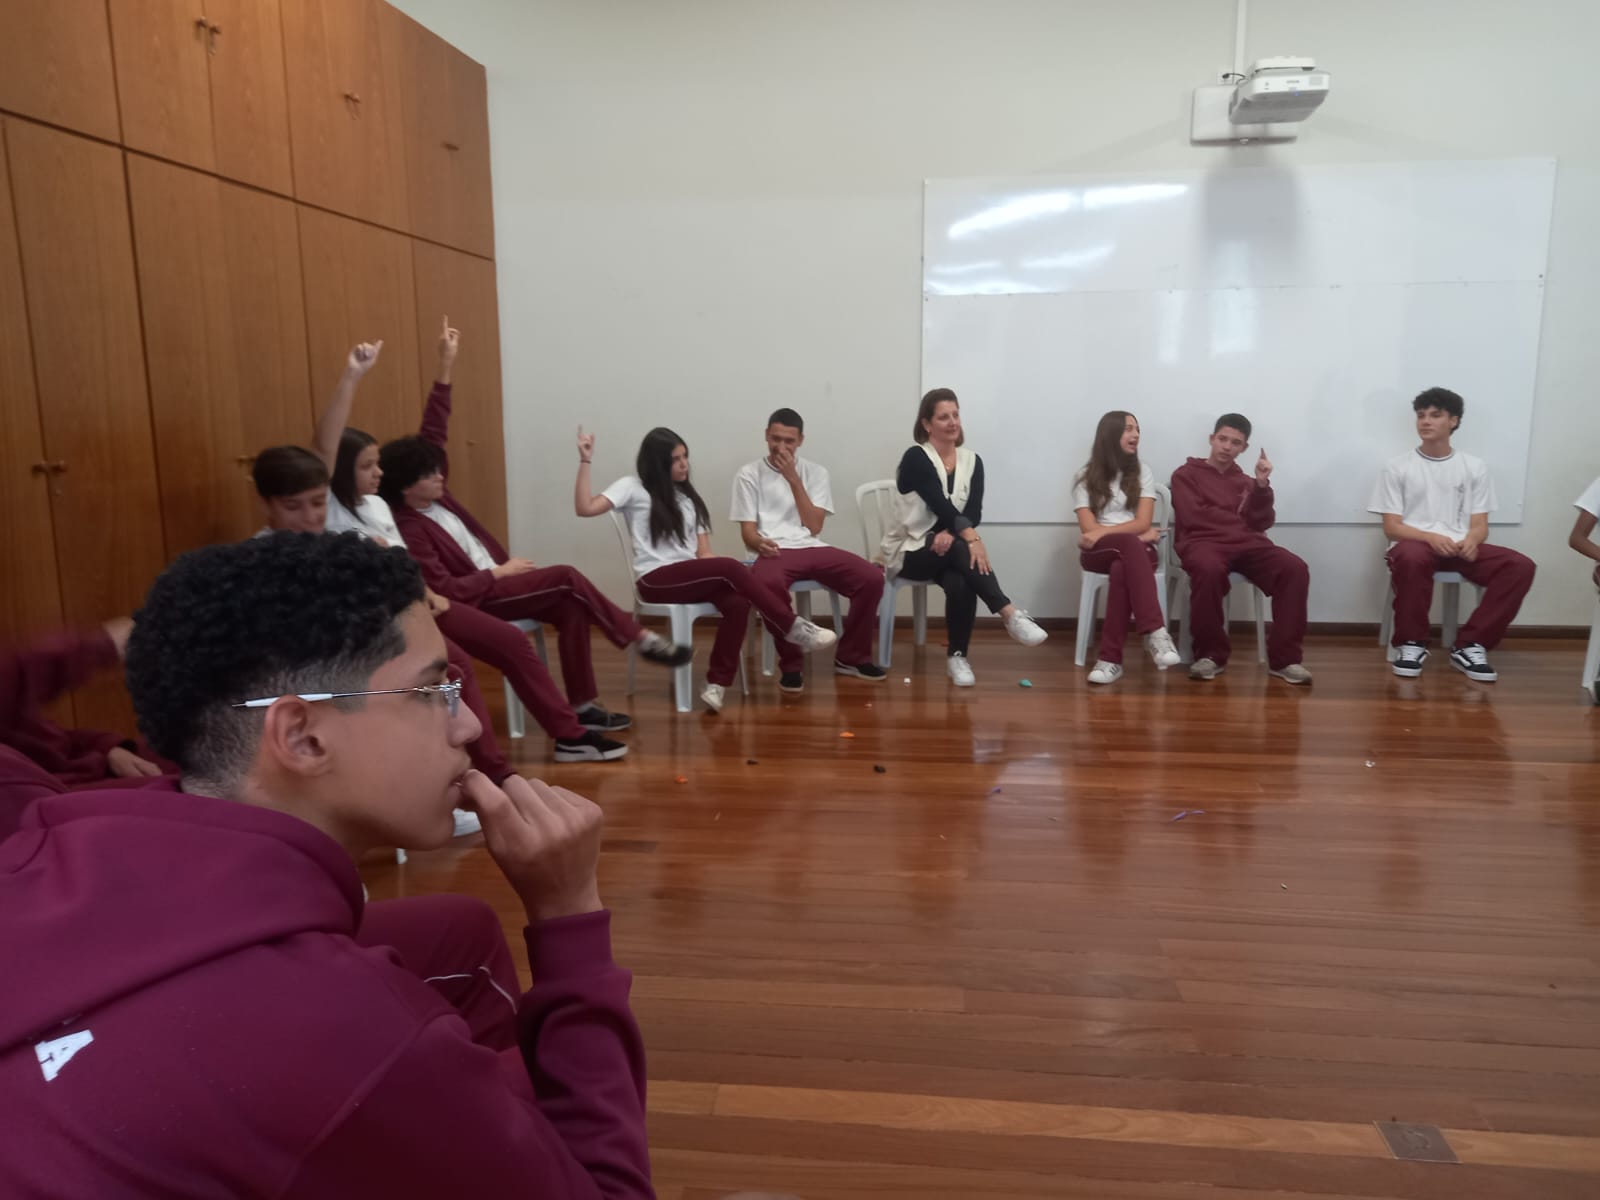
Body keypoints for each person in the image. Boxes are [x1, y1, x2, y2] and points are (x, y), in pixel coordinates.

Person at [0, 533, 652, 1197]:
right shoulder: (347, 1029)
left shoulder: (63, 843)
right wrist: (569, 914)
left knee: (461, 928)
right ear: (303, 737)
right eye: (431, 691)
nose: (468, 728)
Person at [381, 319, 691, 756]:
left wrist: (446, 365)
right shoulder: (410, 526)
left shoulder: (437, 496)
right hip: (479, 595)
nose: (440, 476)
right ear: (407, 487)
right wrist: (499, 573)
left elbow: (434, 430)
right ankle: (637, 638)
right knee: (565, 576)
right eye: (430, 474)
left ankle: (582, 706)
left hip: (494, 583)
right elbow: (447, 589)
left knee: (570, 605)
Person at [253, 401, 507, 823]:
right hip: (317, 674)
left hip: (356, 657)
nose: (310, 517)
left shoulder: (335, 543)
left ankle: (475, 778)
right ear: (268, 504)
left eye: (317, 503)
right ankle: (444, 788)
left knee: (450, 667)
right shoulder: (261, 555)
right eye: (293, 507)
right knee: (417, 688)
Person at [576, 426, 838, 713]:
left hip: (687, 576)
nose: (684, 464)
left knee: (737, 602)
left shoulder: (689, 500)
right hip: (654, 579)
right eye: (676, 460)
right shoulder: (632, 487)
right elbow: (584, 508)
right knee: (729, 567)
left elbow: (704, 555)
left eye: (685, 457)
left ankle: (716, 683)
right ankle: (790, 626)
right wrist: (585, 460)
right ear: (657, 463)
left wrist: (738, 573)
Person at [877, 388, 1047, 688]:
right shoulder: (916, 457)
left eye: (955, 414)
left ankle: (957, 656)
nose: (953, 422)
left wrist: (952, 534)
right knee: (963, 551)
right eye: (943, 417)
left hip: (949, 548)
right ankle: (1009, 613)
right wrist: (972, 539)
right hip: (909, 551)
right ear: (927, 424)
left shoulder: (972, 461)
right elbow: (938, 502)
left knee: (961, 578)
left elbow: (973, 511)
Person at [1369, 387, 1535, 682]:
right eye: (1421, 415)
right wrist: (1430, 537)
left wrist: (1472, 540)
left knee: (1519, 566)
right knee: (1411, 556)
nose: (1425, 421)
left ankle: (1471, 644)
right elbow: (1392, 527)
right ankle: (1412, 643)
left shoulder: (1474, 467)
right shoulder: (1397, 467)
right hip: (1415, 547)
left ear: (1454, 421)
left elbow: (1480, 524)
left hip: (1458, 547)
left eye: (1435, 415)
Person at [730, 407, 887, 692]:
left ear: (800, 440)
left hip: (810, 545)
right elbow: (748, 532)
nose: (781, 447)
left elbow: (814, 526)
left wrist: (793, 479)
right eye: (775, 439)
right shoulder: (748, 474)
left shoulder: (815, 472)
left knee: (872, 578)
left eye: (789, 441)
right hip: (773, 549)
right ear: (766, 436)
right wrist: (759, 543)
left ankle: (851, 657)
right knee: (766, 584)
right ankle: (792, 666)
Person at [1169, 413, 1312, 684]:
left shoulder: (1246, 482)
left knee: (1294, 568)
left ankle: (1285, 660)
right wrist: (1239, 521)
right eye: (1222, 439)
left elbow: (1262, 522)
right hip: (1203, 543)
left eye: (1235, 443)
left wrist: (1261, 485)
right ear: (1211, 439)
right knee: (1208, 569)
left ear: (1244, 448)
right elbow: (1194, 518)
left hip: (1249, 546)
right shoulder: (1185, 475)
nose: (1227, 447)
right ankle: (1210, 655)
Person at [1073, 411, 1181, 684]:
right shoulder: (1085, 477)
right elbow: (1088, 530)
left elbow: (1143, 521)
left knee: (1122, 567)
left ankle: (1110, 661)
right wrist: (1139, 537)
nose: (1136, 435)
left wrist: (1106, 532)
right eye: (1128, 429)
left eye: (1137, 429)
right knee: (1129, 546)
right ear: (1110, 435)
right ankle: (1156, 632)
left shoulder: (1143, 472)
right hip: (1100, 551)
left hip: (1133, 552)